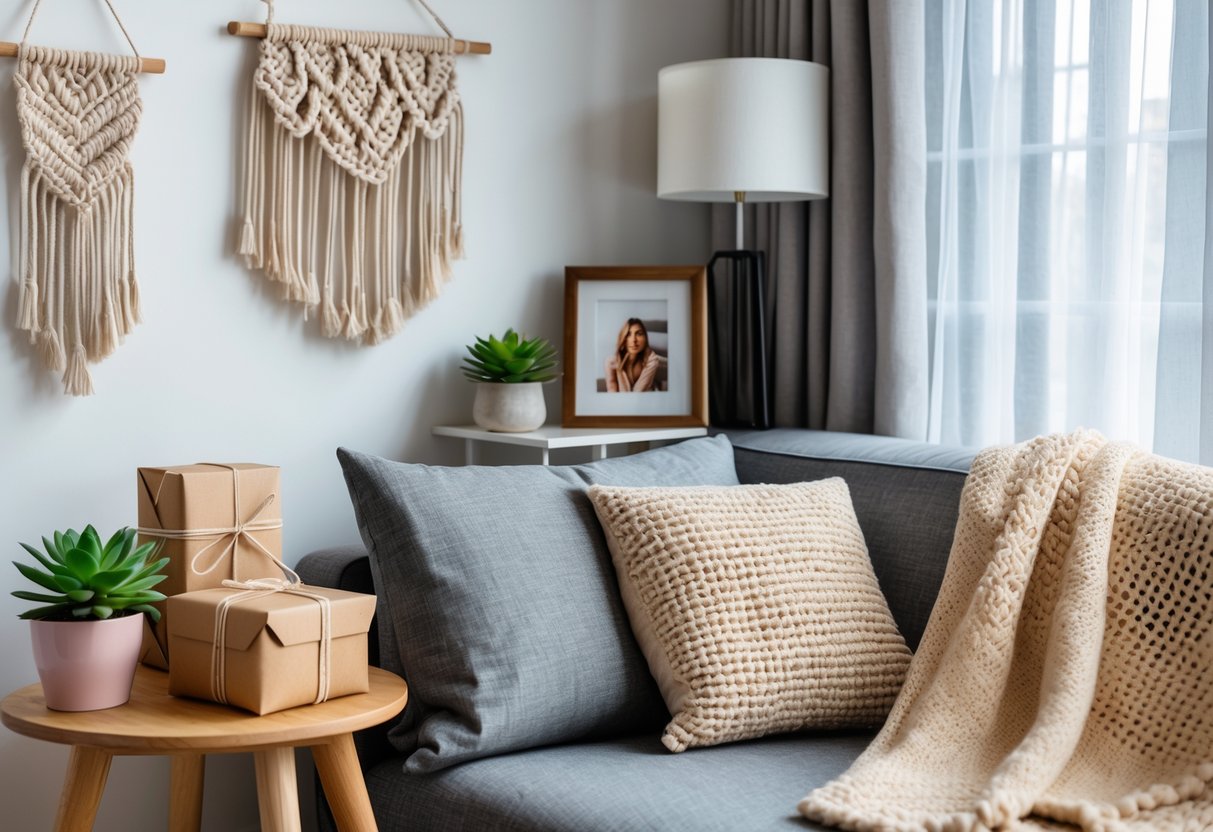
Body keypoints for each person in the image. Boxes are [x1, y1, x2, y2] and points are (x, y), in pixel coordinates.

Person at [605, 318, 660, 392]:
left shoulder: (652, 361)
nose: (634, 340)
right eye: (628, 334)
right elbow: (612, 392)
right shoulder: (611, 362)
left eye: (639, 334)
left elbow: (639, 392)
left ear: (645, 338)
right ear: (623, 338)